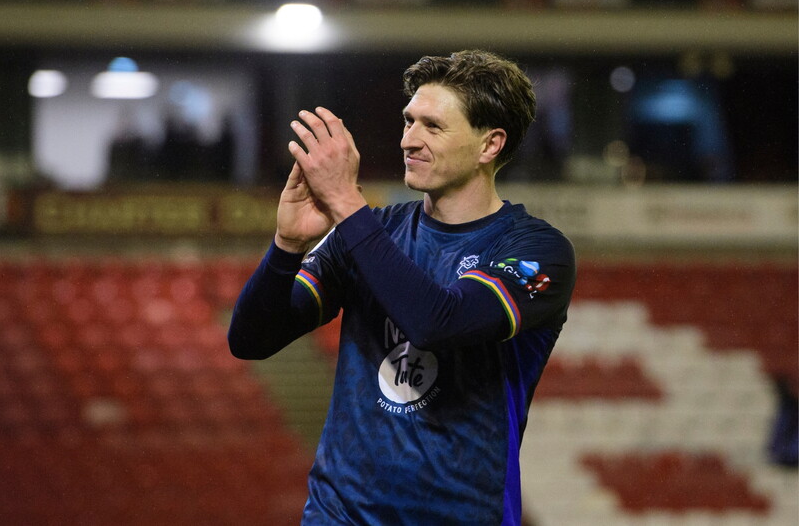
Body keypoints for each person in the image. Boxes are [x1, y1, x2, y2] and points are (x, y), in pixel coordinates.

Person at [228, 49, 576, 525]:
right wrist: (286, 246)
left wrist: (346, 204)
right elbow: (251, 339)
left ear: (490, 145)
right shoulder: (373, 231)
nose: (408, 140)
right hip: (339, 515)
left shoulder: (536, 250)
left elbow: (438, 322)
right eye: (409, 121)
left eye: (432, 126)